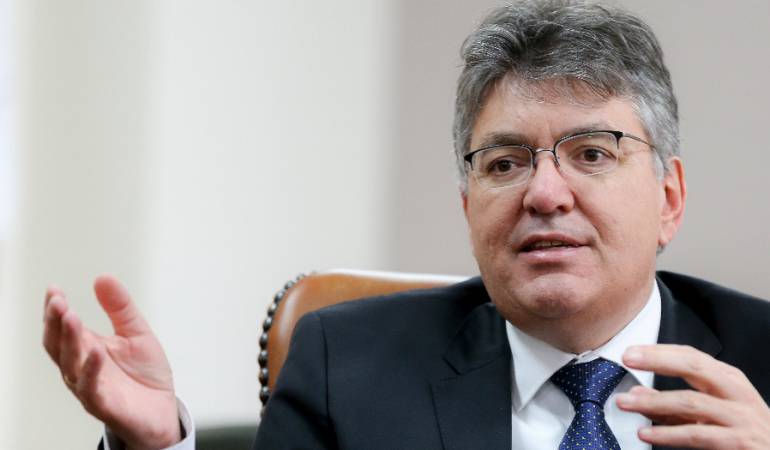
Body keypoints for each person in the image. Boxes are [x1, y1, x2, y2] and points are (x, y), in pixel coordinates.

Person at [43, 0, 770, 449]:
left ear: (669, 198)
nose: (545, 193)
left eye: (591, 153)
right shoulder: (348, 366)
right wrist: (154, 446)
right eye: (505, 163)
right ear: (468, 207)